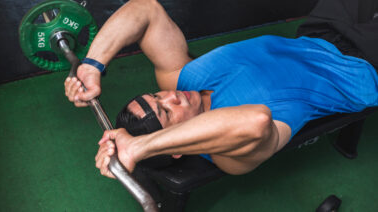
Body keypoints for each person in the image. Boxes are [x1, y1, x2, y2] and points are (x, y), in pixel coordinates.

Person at [64, 0, 378, 178]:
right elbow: (255, 121)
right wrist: (139, 147)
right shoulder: (227, 153)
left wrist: (92, 66)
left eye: (157, 96)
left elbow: (145, 9)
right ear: (174, 147)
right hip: (365, 63)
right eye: (166, 110)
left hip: (320, 33)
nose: (171, 96)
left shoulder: (181, 80)